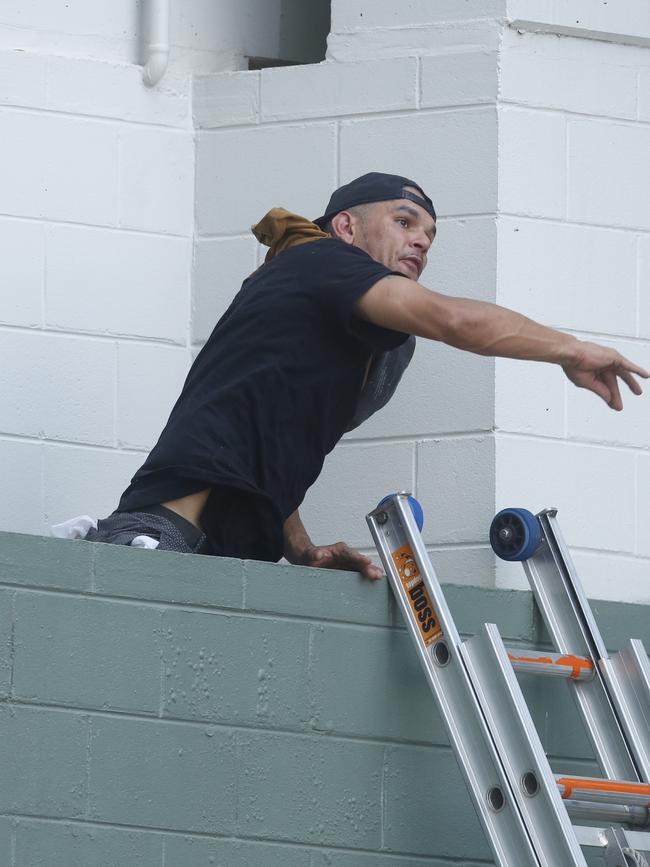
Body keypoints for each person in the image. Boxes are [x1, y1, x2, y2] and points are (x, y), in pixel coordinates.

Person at [84, 172, 648, 578]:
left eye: (429, 234)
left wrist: (302, 550)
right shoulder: (321, 260)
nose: (421, 240)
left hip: (222, 558)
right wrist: (569, 350)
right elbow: (453, 319)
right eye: (404, 222)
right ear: (346, 227)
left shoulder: (324, 320)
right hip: (162, 543)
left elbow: (258, 439)